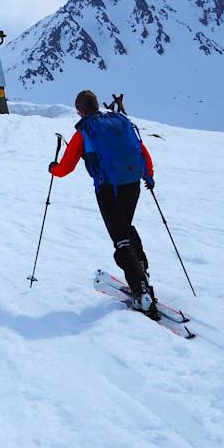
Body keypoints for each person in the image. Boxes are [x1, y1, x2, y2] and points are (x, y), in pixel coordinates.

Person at [48, 89, 158, 315]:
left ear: (80, 111)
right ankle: (142, 271)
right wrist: (149, 175)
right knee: (126, 227)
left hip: (109, 190)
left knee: (120, 239)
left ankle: (140, 291)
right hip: (132, 184)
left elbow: (66, 167)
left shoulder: (86, 130)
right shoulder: (119, 122)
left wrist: (53, 169)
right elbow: (141, 150)